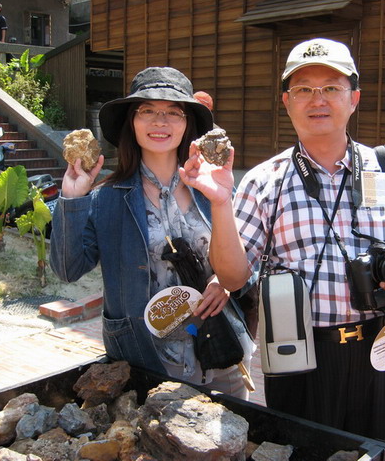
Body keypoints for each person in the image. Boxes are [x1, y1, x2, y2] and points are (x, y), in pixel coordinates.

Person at [181, 38, 385, 459]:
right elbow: (232, 275)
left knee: (382, 451)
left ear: (353, 99)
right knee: (302, 451)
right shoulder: (264, 181)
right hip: (297, 354)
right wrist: (220, 202)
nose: (317, 100)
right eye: (304, 89)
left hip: (383, 347)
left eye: (331, 88)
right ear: (287, 102)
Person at [49, 66, 255, 399]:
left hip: (222, 353)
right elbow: (67, 269)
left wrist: (223, 282)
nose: (160, 122)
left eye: (173, 112)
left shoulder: (210, 188)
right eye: (147, 111)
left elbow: (243, 267)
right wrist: (73, 199)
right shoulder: (106, 199)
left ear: (187, 124)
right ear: (131, 121)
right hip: (146, 360)